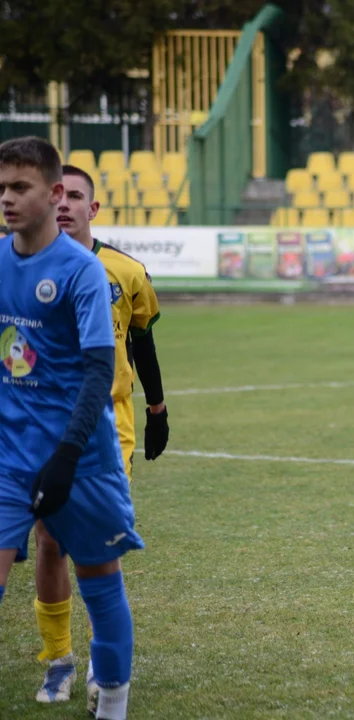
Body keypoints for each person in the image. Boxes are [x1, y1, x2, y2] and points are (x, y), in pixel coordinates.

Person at [0, 136, 143, 719]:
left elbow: (97, 371)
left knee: (100, 583)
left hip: (80, 457)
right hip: (10, 454)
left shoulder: (82, 271)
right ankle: (57, 657)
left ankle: (111, 706)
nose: (6, 198)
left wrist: (66, 455)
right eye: (2, 186)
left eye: (20, 187)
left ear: (54, 192)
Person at [31, 164, 169, 711]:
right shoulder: (20, 266)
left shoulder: (125, 270)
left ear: (94, 209)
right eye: (56, 196)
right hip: (40, 418)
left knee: (94, 544)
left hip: (110, 424)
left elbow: (144, 343)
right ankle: (58, 659)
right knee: (48, 541)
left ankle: (102, 668)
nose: (63, 205)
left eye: (76, 197)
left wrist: (157, 408)